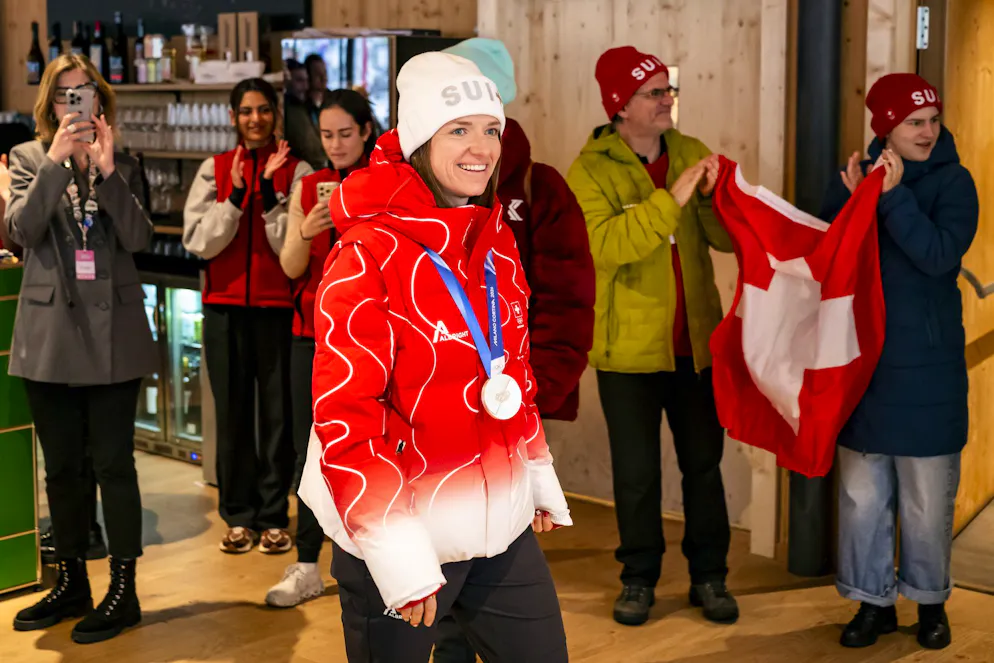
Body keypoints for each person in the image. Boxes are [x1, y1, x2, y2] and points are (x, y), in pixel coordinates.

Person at [296, 52, 572, 663]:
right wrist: (401, 557)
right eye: (459, 129)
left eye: (491, 129)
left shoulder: (493, 236)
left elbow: (509, 369)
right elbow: (346, 417)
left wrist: (532, 473)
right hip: (400, 533)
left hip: (497, 523)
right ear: (421, 137)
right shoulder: (365, 253)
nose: (482, 147)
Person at [432, 37, 595, 663]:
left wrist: (533, 396)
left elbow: (568, 299)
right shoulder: (412, 197)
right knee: (445, 577)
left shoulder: (537, 186)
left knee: (501, 562)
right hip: (435, 426)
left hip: (508, 418)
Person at [566, 46, 737, 627]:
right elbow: (608, 246)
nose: (668, 101)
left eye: (669, 90)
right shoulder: (588, 169)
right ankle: (638, 579)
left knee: (703, 467)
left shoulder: (689, 152)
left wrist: (714, 201)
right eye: (655, 92)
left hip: (696, 346)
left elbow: (722, 240)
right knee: (636, 477)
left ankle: (710, 576)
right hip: (627, 355)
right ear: (621, 106)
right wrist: (673, 198)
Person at [819, 73, 978, 651]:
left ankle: (931, 603)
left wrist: (892, 196)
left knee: (926, 498)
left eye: (933, 119)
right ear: (885, 126)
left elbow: (937, 256)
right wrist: (848, 196)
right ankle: (872, 603)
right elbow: (828, 258)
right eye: (914, 122)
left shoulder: (955, 183)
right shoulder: (861, 180)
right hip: (864, 372)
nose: (928, 131)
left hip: (928, 373)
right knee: (863, 500)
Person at [5, 53, 155, 644]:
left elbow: (140, 238)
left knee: (114, 465)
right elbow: (20, 230)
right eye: (64, 94)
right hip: (49, 336)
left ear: (100, 99)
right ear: (49, 103)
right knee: (63, 469)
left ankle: (124, 590)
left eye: (84, 92)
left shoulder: (122, 159)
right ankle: (71, 579)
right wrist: (54, 164)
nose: (75, 103)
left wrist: (110, 173)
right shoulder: (25, 158)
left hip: (115, 336)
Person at [183, 78, 313, 556]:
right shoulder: (213, 169)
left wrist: (267, 195)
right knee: (233, 415)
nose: (254, 119)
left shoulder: (300, 172)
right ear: (233, 117)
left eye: (262, 110)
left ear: (275, 113)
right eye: (245, 111)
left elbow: (293, 250)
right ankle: (237, 516)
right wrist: (237, 198)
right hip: (224, 310)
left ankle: (274, 515)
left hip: (279, 311)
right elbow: (198, 242)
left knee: (278, 418)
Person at [265, 88, 377, 608]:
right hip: (310, 336)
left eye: (345, 134)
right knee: (307, 450)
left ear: (367, 131)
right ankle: (308, 564)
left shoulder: (385, 182)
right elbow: (289, 267)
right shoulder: (308, 184)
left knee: (369, 449)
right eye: (327, 135)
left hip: (368, 338)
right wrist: (307, 229)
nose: (335, 145)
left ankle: (376, 559)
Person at [284, 58, 328, 171]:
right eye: (299, 80)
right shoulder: (289, 110)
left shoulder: (310, 106)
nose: (305, 86)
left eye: (306, 80)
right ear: (288, 82)